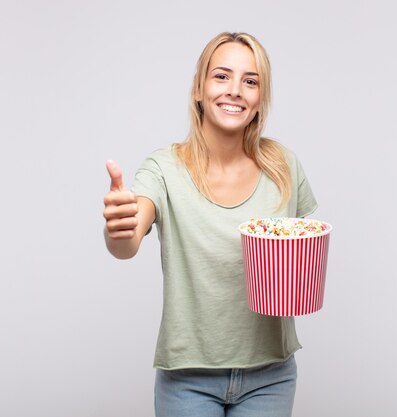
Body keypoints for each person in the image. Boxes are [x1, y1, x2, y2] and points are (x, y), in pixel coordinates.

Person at [103, 32, 318, 417]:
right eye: (221, 76)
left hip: (271, 375)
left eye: (250, 81)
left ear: (259, 98)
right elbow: (128, 241)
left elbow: (298, 253)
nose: (235, 90)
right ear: (199, 89)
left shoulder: (283, 166)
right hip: (188, 379)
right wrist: (119, 227)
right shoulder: (163, 168)